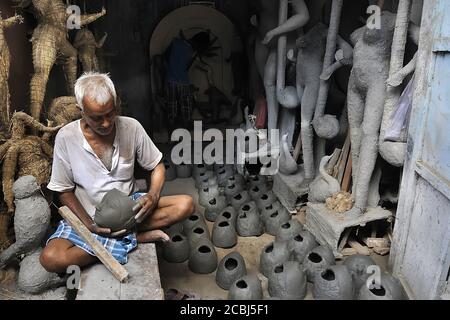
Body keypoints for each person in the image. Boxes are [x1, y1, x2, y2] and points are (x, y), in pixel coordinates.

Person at [40, 72, 194, 272]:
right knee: (51, 259)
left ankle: (116, 239)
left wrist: (153, 196)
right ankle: (132, 239)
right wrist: (88, 224)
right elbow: (63, 189)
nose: (106, 123)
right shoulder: (66, 137)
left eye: (110, 113)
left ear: (116, 105)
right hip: (90, 215)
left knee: (186, 204)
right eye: (97, 118)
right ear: (81, 111)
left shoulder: (131, 127)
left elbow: (157, 165)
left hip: (130, 211)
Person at [164, 31, 210, 132]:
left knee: (172, 105)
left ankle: (171, 131)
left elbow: (165, 57)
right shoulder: (192, 52)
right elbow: (187, 68)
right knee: (186, 107)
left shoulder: (176, 42)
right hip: (184, 82)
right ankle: (186, 129)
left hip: (170, 80)